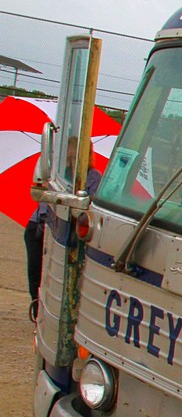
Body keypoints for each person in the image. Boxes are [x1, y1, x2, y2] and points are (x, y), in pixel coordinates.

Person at [25, 137, 102, 321]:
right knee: (36, 270)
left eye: (75, 150)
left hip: (68, 229)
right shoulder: (56, 172)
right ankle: (37, 307)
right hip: (40, 224)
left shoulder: (93, 176)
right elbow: (45, 198)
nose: (70, 153)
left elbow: (89, 205)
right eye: (68, 149)